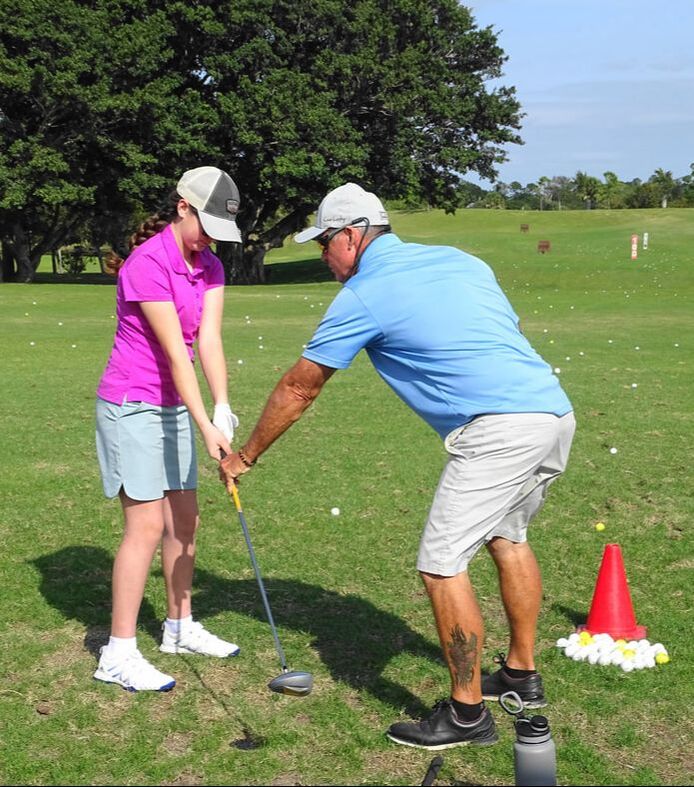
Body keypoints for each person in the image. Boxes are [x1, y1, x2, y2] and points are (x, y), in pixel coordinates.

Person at [219, 183, 575, 749]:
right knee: (508, 538)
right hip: (552, 413)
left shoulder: (365, 292)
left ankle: (465, 715)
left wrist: (245, 455)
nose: (323, 257)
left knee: (440, 564)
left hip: (498, 429)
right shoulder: (460, 261)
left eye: (325, 244)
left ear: (352, 236)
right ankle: (520, 676)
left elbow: (300, 387)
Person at [94, 166, 243, 692]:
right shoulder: (147, 263)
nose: (209, 242)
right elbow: (177, 354)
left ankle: (179, 627)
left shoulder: (210, 266)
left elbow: (208, 342)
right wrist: (206, 426)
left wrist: (223, 407)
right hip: (132, 403)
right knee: (147, 525)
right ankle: (117, 652)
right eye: (206, 227)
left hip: (176, 407)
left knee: (186, 520)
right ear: (183, 207)